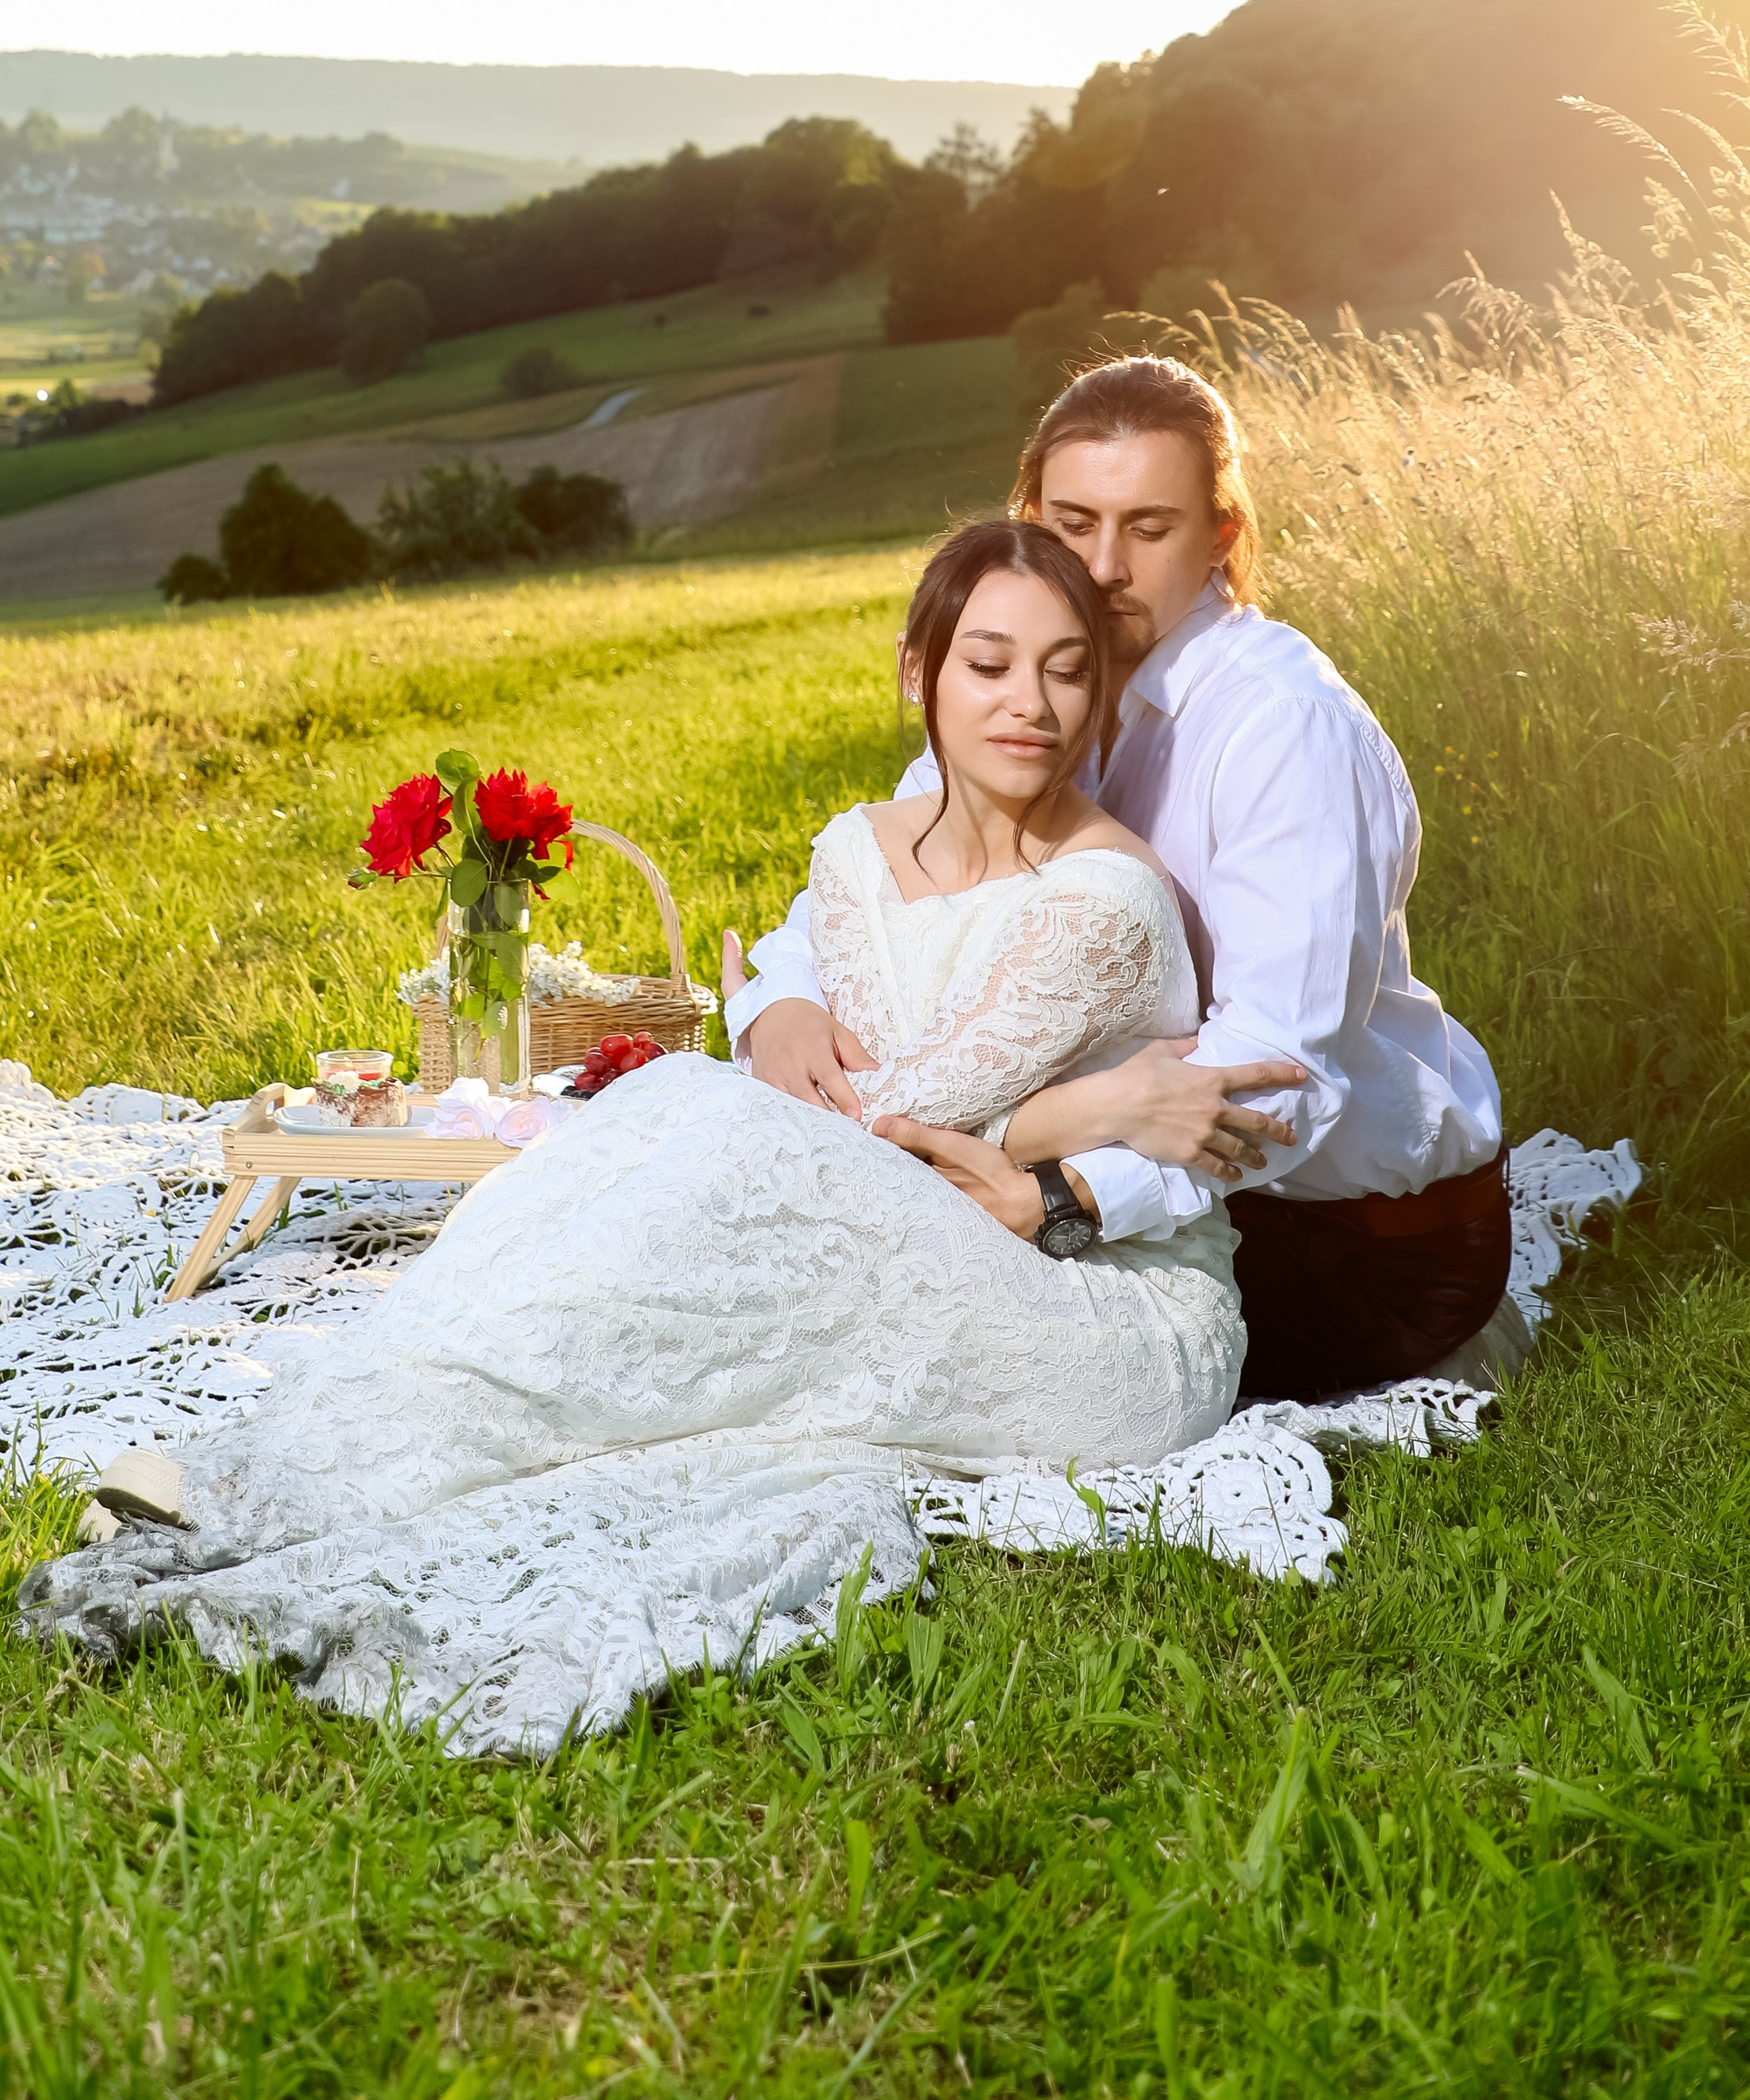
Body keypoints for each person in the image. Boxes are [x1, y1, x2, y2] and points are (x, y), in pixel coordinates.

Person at [23, 523, 1239, 1757]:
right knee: (665, 1135)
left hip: (1088, 1306)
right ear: (917, 670)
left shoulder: (1108, 898)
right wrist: (1078, 1108)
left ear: (1099, 691)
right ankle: (318, 1448)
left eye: (1066, 668)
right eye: (988, 663)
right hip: (914, 1207)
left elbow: (886, 1118)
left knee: (713, 1134)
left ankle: (272, 1485)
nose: (1029, 702)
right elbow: (869, 1106)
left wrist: (1016, 1122)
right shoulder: (856, 850)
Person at [727, 354, 1516, 1404]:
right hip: (1104, 1161)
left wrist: (1059, 1198)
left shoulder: (1287, 729)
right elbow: (895, 869)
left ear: (1221, 538)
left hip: (1338, 1238)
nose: (1103, 566)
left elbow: (1278, 1077)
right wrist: (778, 1000)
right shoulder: (1040, 674)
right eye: (1073, 521)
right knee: (786, 1280)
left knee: (853, 1340)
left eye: (1149, 527)